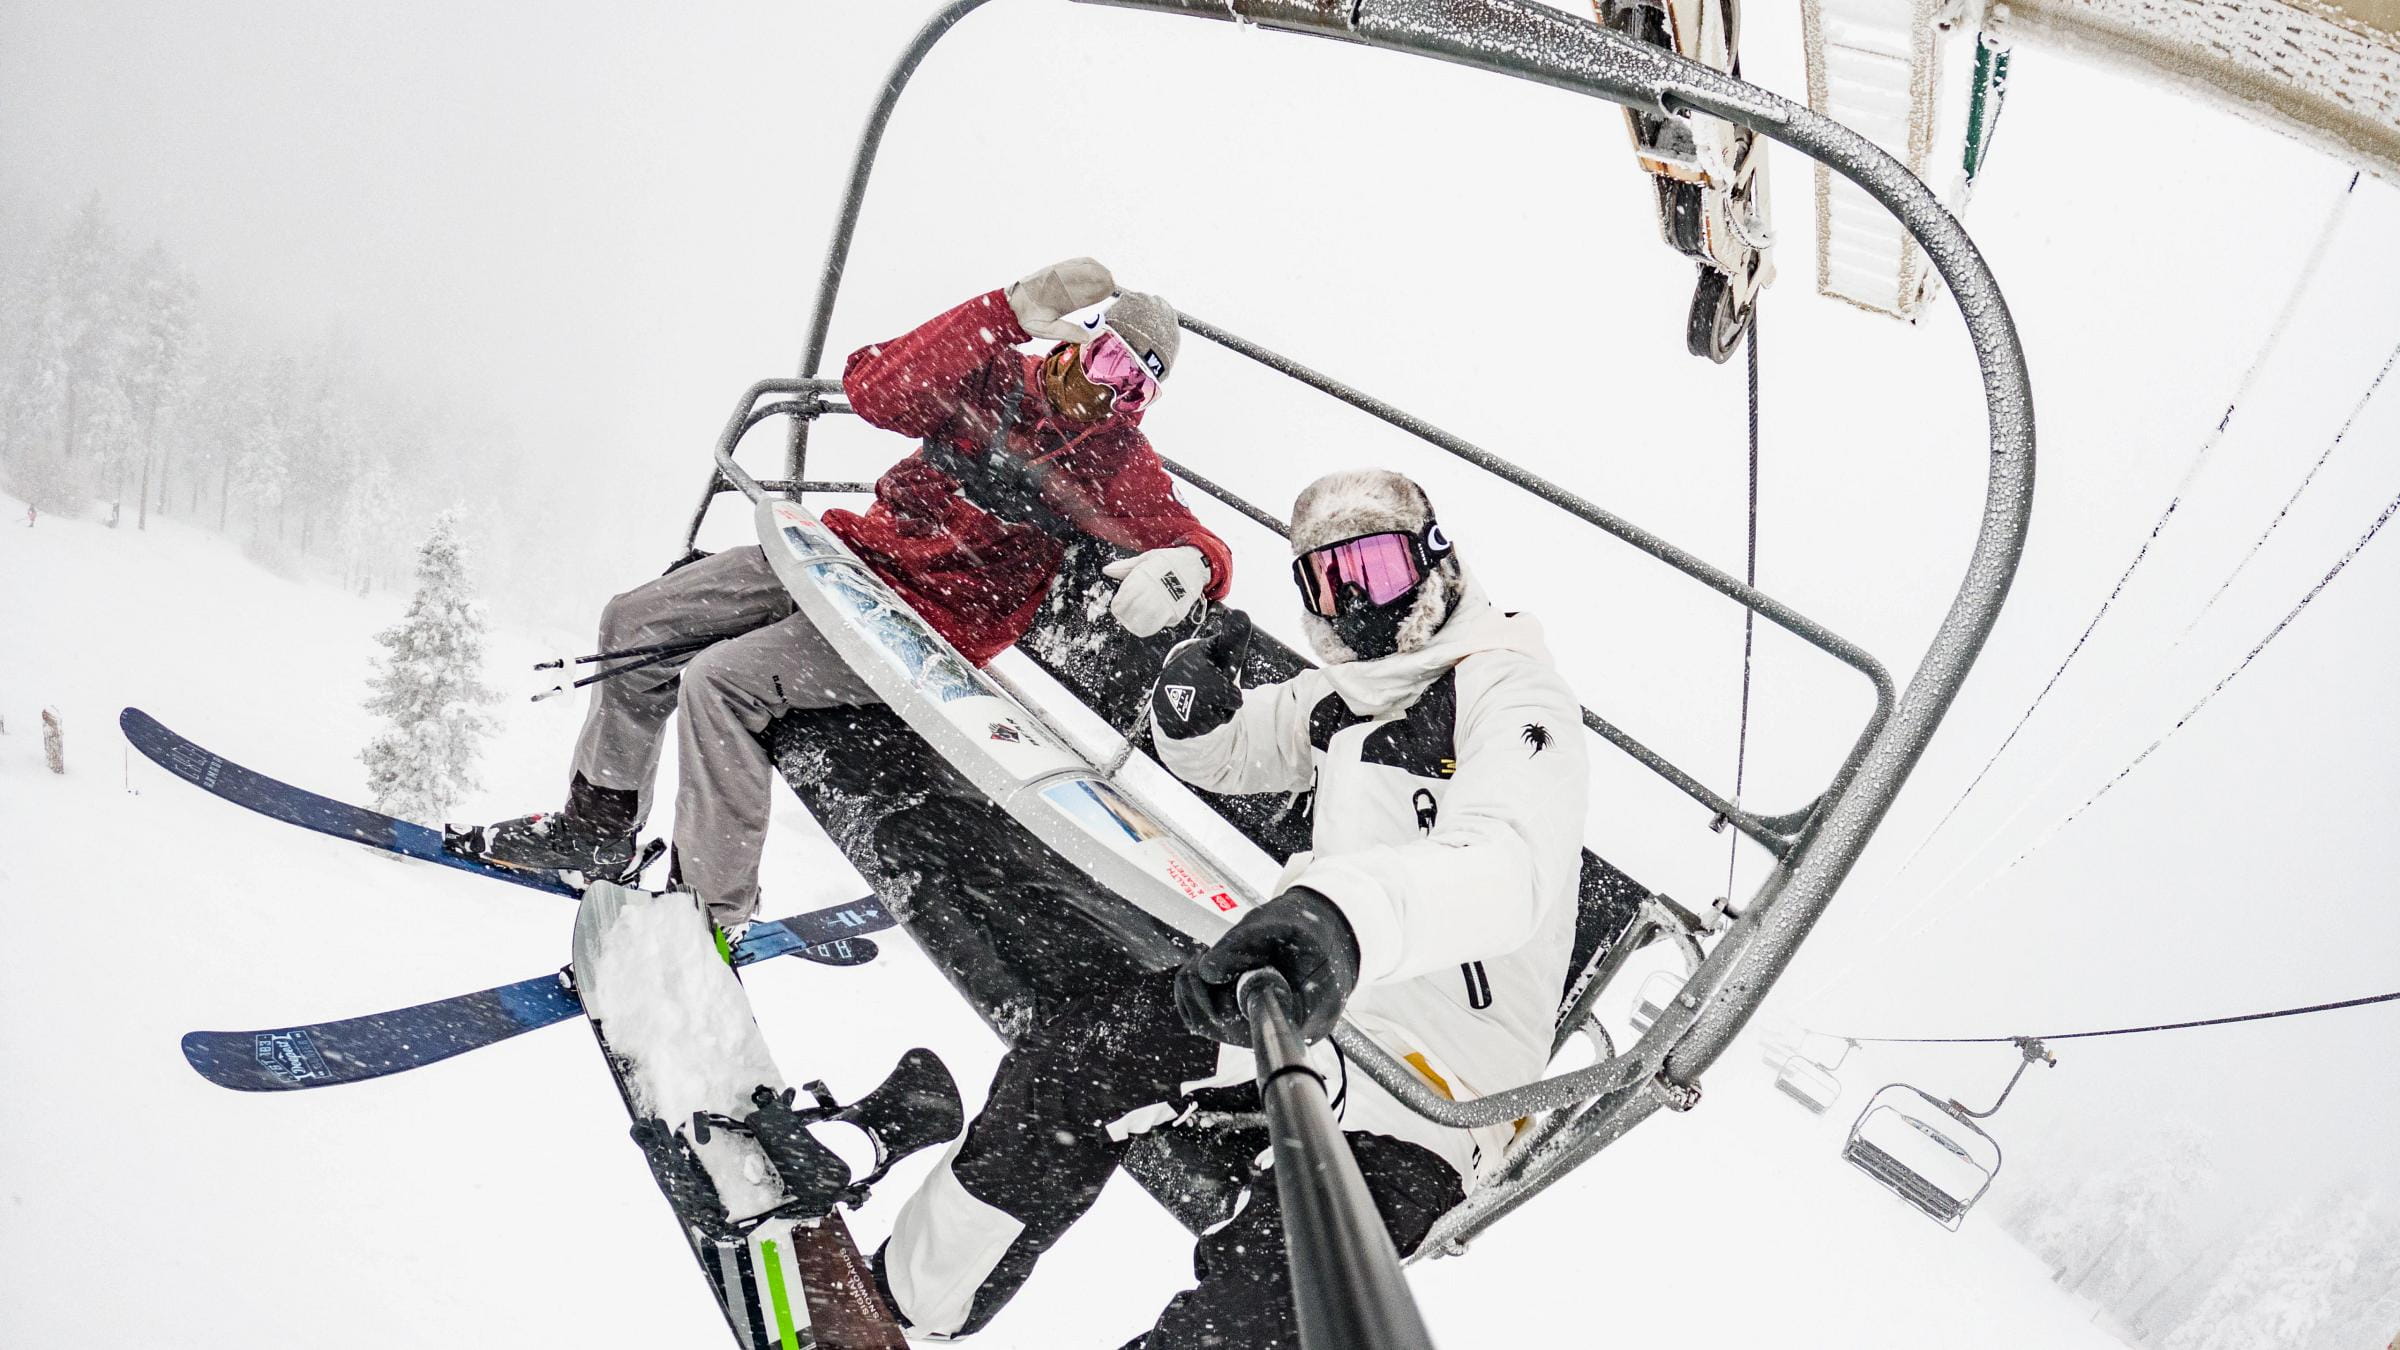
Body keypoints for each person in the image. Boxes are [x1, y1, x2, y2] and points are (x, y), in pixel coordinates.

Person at [871, 468, 1590, 1347]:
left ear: (1436, 562)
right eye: (1330, 580)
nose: (1358, 602)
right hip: (1294, 1005)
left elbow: (1507, 864)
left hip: (1429, 1091)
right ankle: (910, 1297)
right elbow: (1238, 753)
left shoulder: (1513, 697)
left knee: (1255, 1307)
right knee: (1074, 1062)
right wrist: (1192, 708)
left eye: (1378, 568)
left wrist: (1338, 916)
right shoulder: (1344, 695)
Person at [453, 258, 1233, 929]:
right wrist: (1000, 314)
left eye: (1136, 391)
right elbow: (875, 388)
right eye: (1111, 367)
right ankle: (597, 826)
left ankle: (706, 911)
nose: (1112, 398)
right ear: (1078, 342)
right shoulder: (997, 375)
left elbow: (1197, 541)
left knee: (720, 683)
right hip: (848, 559)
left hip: (923, 627)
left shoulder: (1116, 464)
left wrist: (1194, 567)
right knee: (635, 619)